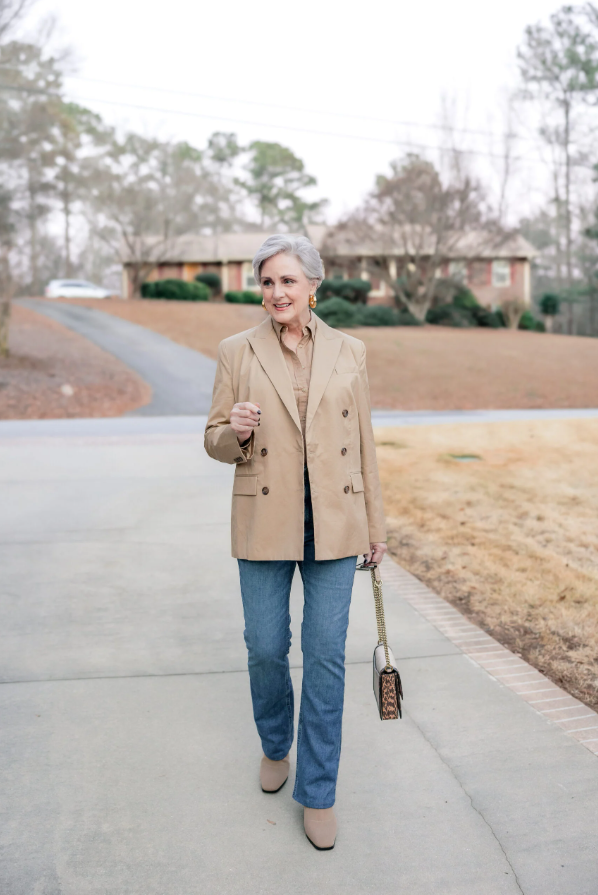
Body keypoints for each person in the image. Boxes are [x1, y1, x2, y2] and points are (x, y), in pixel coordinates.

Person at [204, 234, 387, 850]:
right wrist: (234, 429)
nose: (276, 293)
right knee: (264, 646)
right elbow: (213, 439)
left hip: (336, 522)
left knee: (327, 658)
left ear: (314, 285)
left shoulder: (350, 350)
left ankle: (318, 790)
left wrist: (376, 527)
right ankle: (274, 744)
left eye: (287, 281)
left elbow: (363, 440)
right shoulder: (237, 350)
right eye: (267, 282)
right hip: (264, 517)